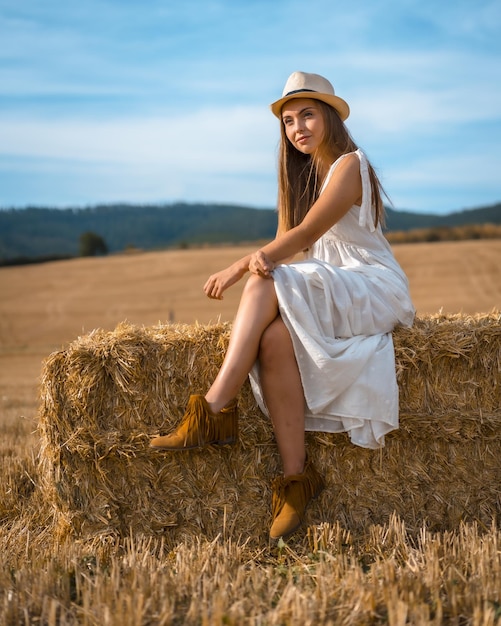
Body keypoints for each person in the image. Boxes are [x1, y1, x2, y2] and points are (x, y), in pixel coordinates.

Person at [150, 71, 415, 539]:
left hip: (370, 287)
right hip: (332, 288)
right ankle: (297, 481)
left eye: (308, 115)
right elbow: (282, 245)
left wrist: (237, 269)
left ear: (330, 117)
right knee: (273, 340)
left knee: (259, 281)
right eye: (289, 121)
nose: (298, 128)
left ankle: (213, 410)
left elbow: (305, 237)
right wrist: (257, 265)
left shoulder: (351, 164)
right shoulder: (299, 177)